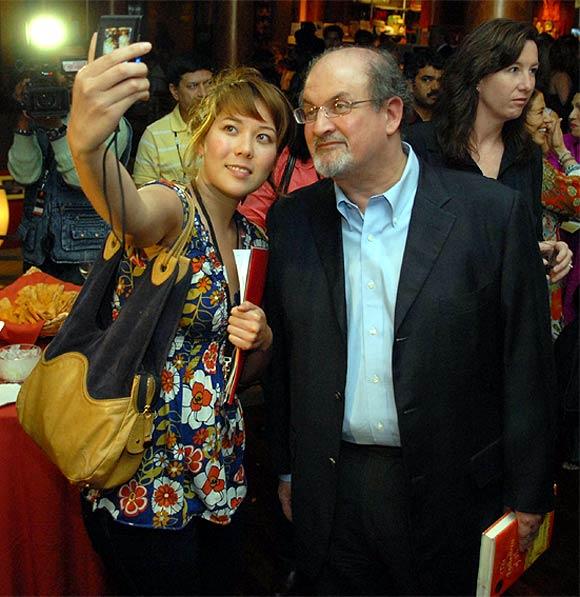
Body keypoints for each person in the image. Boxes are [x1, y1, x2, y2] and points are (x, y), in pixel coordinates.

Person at [264, 45, 556, 595]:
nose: (320, 125)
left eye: (340, 106)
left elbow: (525, 359)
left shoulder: (488, 214)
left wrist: (530, 491)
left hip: (453, 486)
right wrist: (287, 467)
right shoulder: (294, 221)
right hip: (334, 483)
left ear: (393, 113)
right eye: (309, 110)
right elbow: (288, 358)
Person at [67, 37, 293, 595]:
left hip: (219, 469)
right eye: (231, 129)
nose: (244, 149)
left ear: (277, 157)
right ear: (202, 135)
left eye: (263, 138)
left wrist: (261, 338)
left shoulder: (255, 239)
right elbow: (132, 215)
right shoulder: (172, 206)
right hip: (145, 471)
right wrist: (88, 144)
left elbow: (243, 371)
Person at [407, 18, 572, 283]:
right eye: (514, 69)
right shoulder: (420, 146)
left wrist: (544, 252)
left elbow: (524, 238)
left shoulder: (525, 154)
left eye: (533, 70)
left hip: (500, 314)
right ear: (478, 76)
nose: (527, 84)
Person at [8, 71, 131, 284]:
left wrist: (55, 129)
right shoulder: (37, 113)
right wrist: (24, 118)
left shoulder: (109, 122)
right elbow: (25, 176)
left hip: (84, 254)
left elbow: (81, 179)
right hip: (38, 249)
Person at [133, 53, 213, 187]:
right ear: (175, 91)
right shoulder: (155, 135)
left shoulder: (224, 125)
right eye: (193, 86)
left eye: (208, 83)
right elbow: (143, 192)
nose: (203, 94)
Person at [404, 49, 444, 123]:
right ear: (410, 84)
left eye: (439, 80)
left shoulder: (448, 121)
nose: (436, 87)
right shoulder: (399, 121)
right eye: (426, 80)